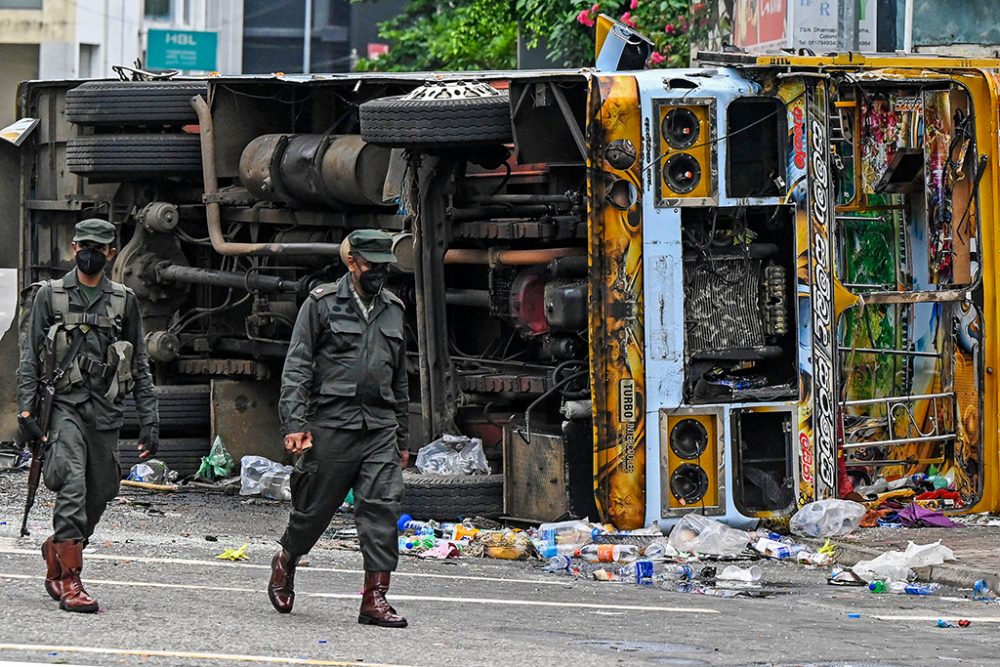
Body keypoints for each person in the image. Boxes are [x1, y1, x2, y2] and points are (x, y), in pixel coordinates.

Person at [16, 218, 159, 613]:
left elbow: (141, 362)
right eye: (83, 246)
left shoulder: (123, 300)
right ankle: (69, 579)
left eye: (98, 248)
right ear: (74, 248)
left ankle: (60, 549)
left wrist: (150, 418)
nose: (89, 253)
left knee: (102, 490)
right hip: (63, 406)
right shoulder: (51, 295)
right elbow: (29, 357)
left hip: (106, 409)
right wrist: (26, 410)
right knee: (73, 485)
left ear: (111, 254)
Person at [269, 229, 410, 628]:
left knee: (382, 507)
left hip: (379, 426)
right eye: (370, 266)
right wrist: (294, 423)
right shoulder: (322, 304)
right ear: (352, 263)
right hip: (332, 423)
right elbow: (297, 366)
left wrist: (402, 437)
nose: (378, 274)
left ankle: (375, 599)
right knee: (314, 510)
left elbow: (400, 378)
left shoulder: (394, 309)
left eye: (384, 267)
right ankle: (286, 559)